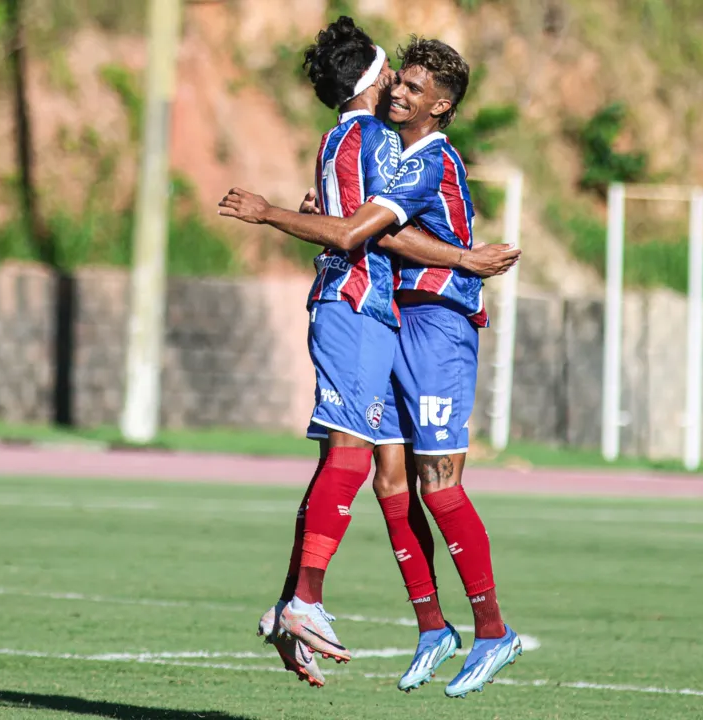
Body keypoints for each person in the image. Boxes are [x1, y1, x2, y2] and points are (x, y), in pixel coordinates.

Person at [219, 36, 523, 698]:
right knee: (375, 472)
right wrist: (310, 219)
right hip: (375, 312)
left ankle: (489, 631)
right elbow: (362, 229)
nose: (399, 92)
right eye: (396, 81)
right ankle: (417, 624)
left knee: (425, 482)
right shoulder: (375, 143)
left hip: (429, 321)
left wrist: (307, 219)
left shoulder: (404, 151)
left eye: (413, 87)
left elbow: (363, 229)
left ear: (440, 104)